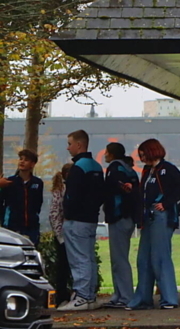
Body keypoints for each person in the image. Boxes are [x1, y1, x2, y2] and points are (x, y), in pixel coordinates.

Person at [129, 139, 180, 310]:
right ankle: (142, 299)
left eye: (143, 154)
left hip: (161, 217)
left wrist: (167, 203)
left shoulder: (167, 169)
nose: (141, 158)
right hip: (148, 217)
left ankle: (169, 299)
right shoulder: (148, 171)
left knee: (160, 257)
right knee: (143, 258)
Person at [59, 129, 105, 311]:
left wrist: (68, 212)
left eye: (70, 143)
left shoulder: (78, 168)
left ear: (79, 145)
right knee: (88, 258)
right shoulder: (96, 166)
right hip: (91, 218)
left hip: (76, 219)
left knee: (79, 259)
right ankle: (90, 296)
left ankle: (81, 296)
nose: (68, 148)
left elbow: (72, 195)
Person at [102, 142, 141, 309]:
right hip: (129, 217)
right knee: (120, 257)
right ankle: (119, 294)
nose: (104, 155)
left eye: (106, 152)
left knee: (119, 259)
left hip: (119, 217)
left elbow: (111, 191)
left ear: (111, 154)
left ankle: (125, 296)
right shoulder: (129, 169)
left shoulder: (114, 169)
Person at [0, 150, 45, 245]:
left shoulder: (37, 183)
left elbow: (38, 203)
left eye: (26, 160)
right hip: (12, 226)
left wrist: (33, 216)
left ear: (32, 164)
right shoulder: (9, 182)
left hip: (32, 227)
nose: (22, 162)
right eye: (21, 159)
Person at [49, 164, 74, 306]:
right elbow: (54, 213)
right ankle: (61, 295)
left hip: (73, 234)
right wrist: (60, 236)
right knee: (63, 267)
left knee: (73, 265)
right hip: (63, 235)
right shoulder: (60, 190)